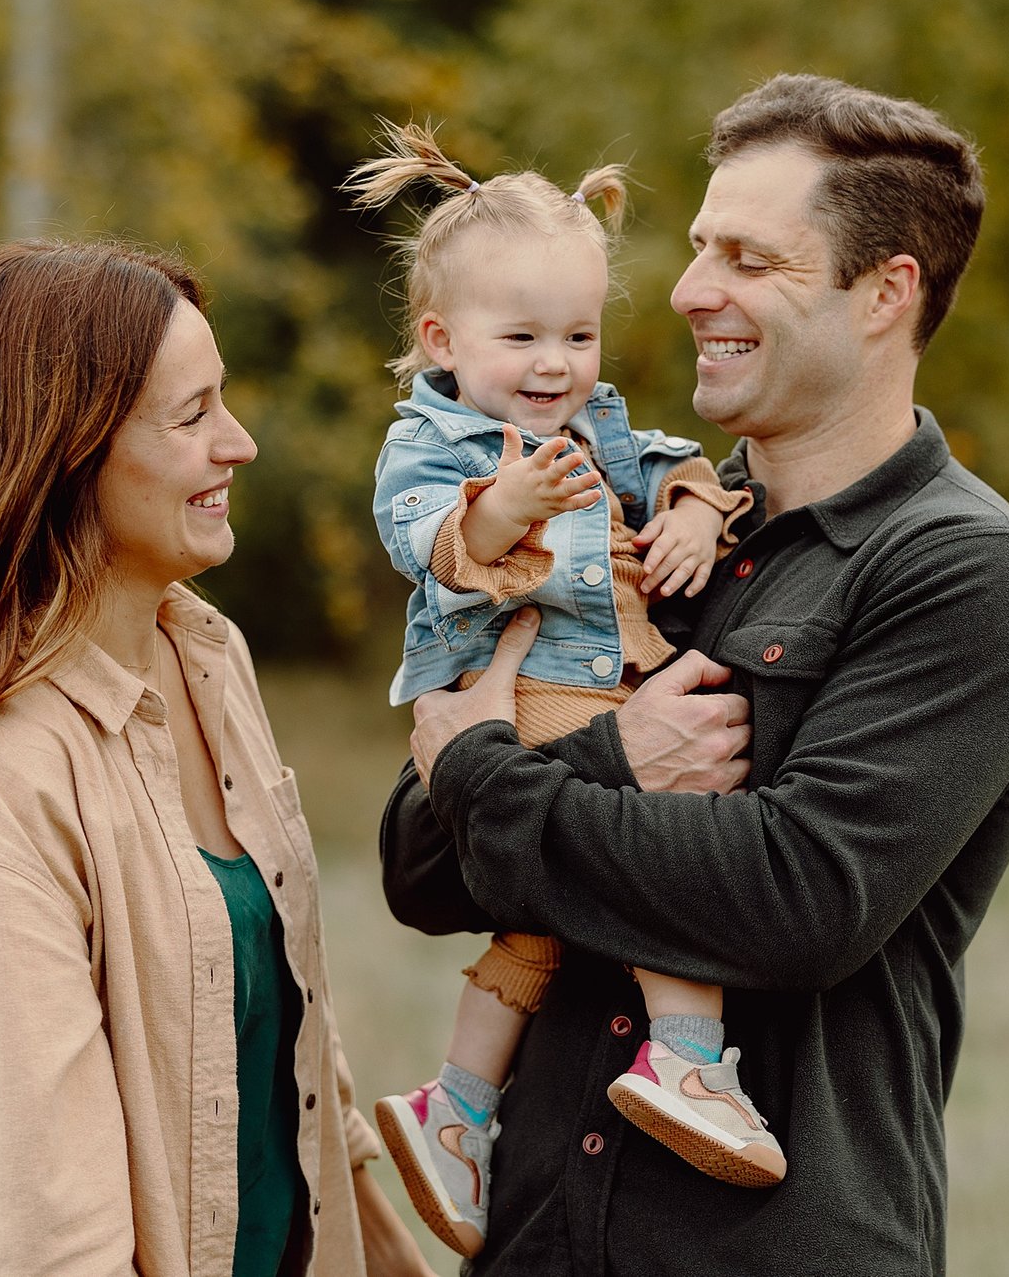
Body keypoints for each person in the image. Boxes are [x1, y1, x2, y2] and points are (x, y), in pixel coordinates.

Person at [380, 75, 1009, 1275]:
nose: (694, 290)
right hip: (538, 1237)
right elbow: (419, 863)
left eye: (750, 258)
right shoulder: (638, 527)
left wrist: (497, 774)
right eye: (700, 248)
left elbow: (795, 898)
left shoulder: (965, 574)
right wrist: (612, 760)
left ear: (885, 292)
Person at [0, 241, 434, 1277]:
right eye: (192, 414)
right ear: (60, 453)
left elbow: (291, 1047)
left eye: (224, 402)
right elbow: (54, 1231)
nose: (238, 443)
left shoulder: (205, 654)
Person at [341, 126, 777, 1260]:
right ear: (441, 337)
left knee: (535, 929)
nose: (555, 363)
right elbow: (427, 542)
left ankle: (455, 1109)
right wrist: (503, 502)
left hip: (588, 690)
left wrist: (687, 505)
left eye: (577, 334)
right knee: (660, 840)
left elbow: (672, 461)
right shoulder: (434, 442)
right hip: (530, 686)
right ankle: (687, 1052)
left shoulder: (596, 422)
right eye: (521, 335)